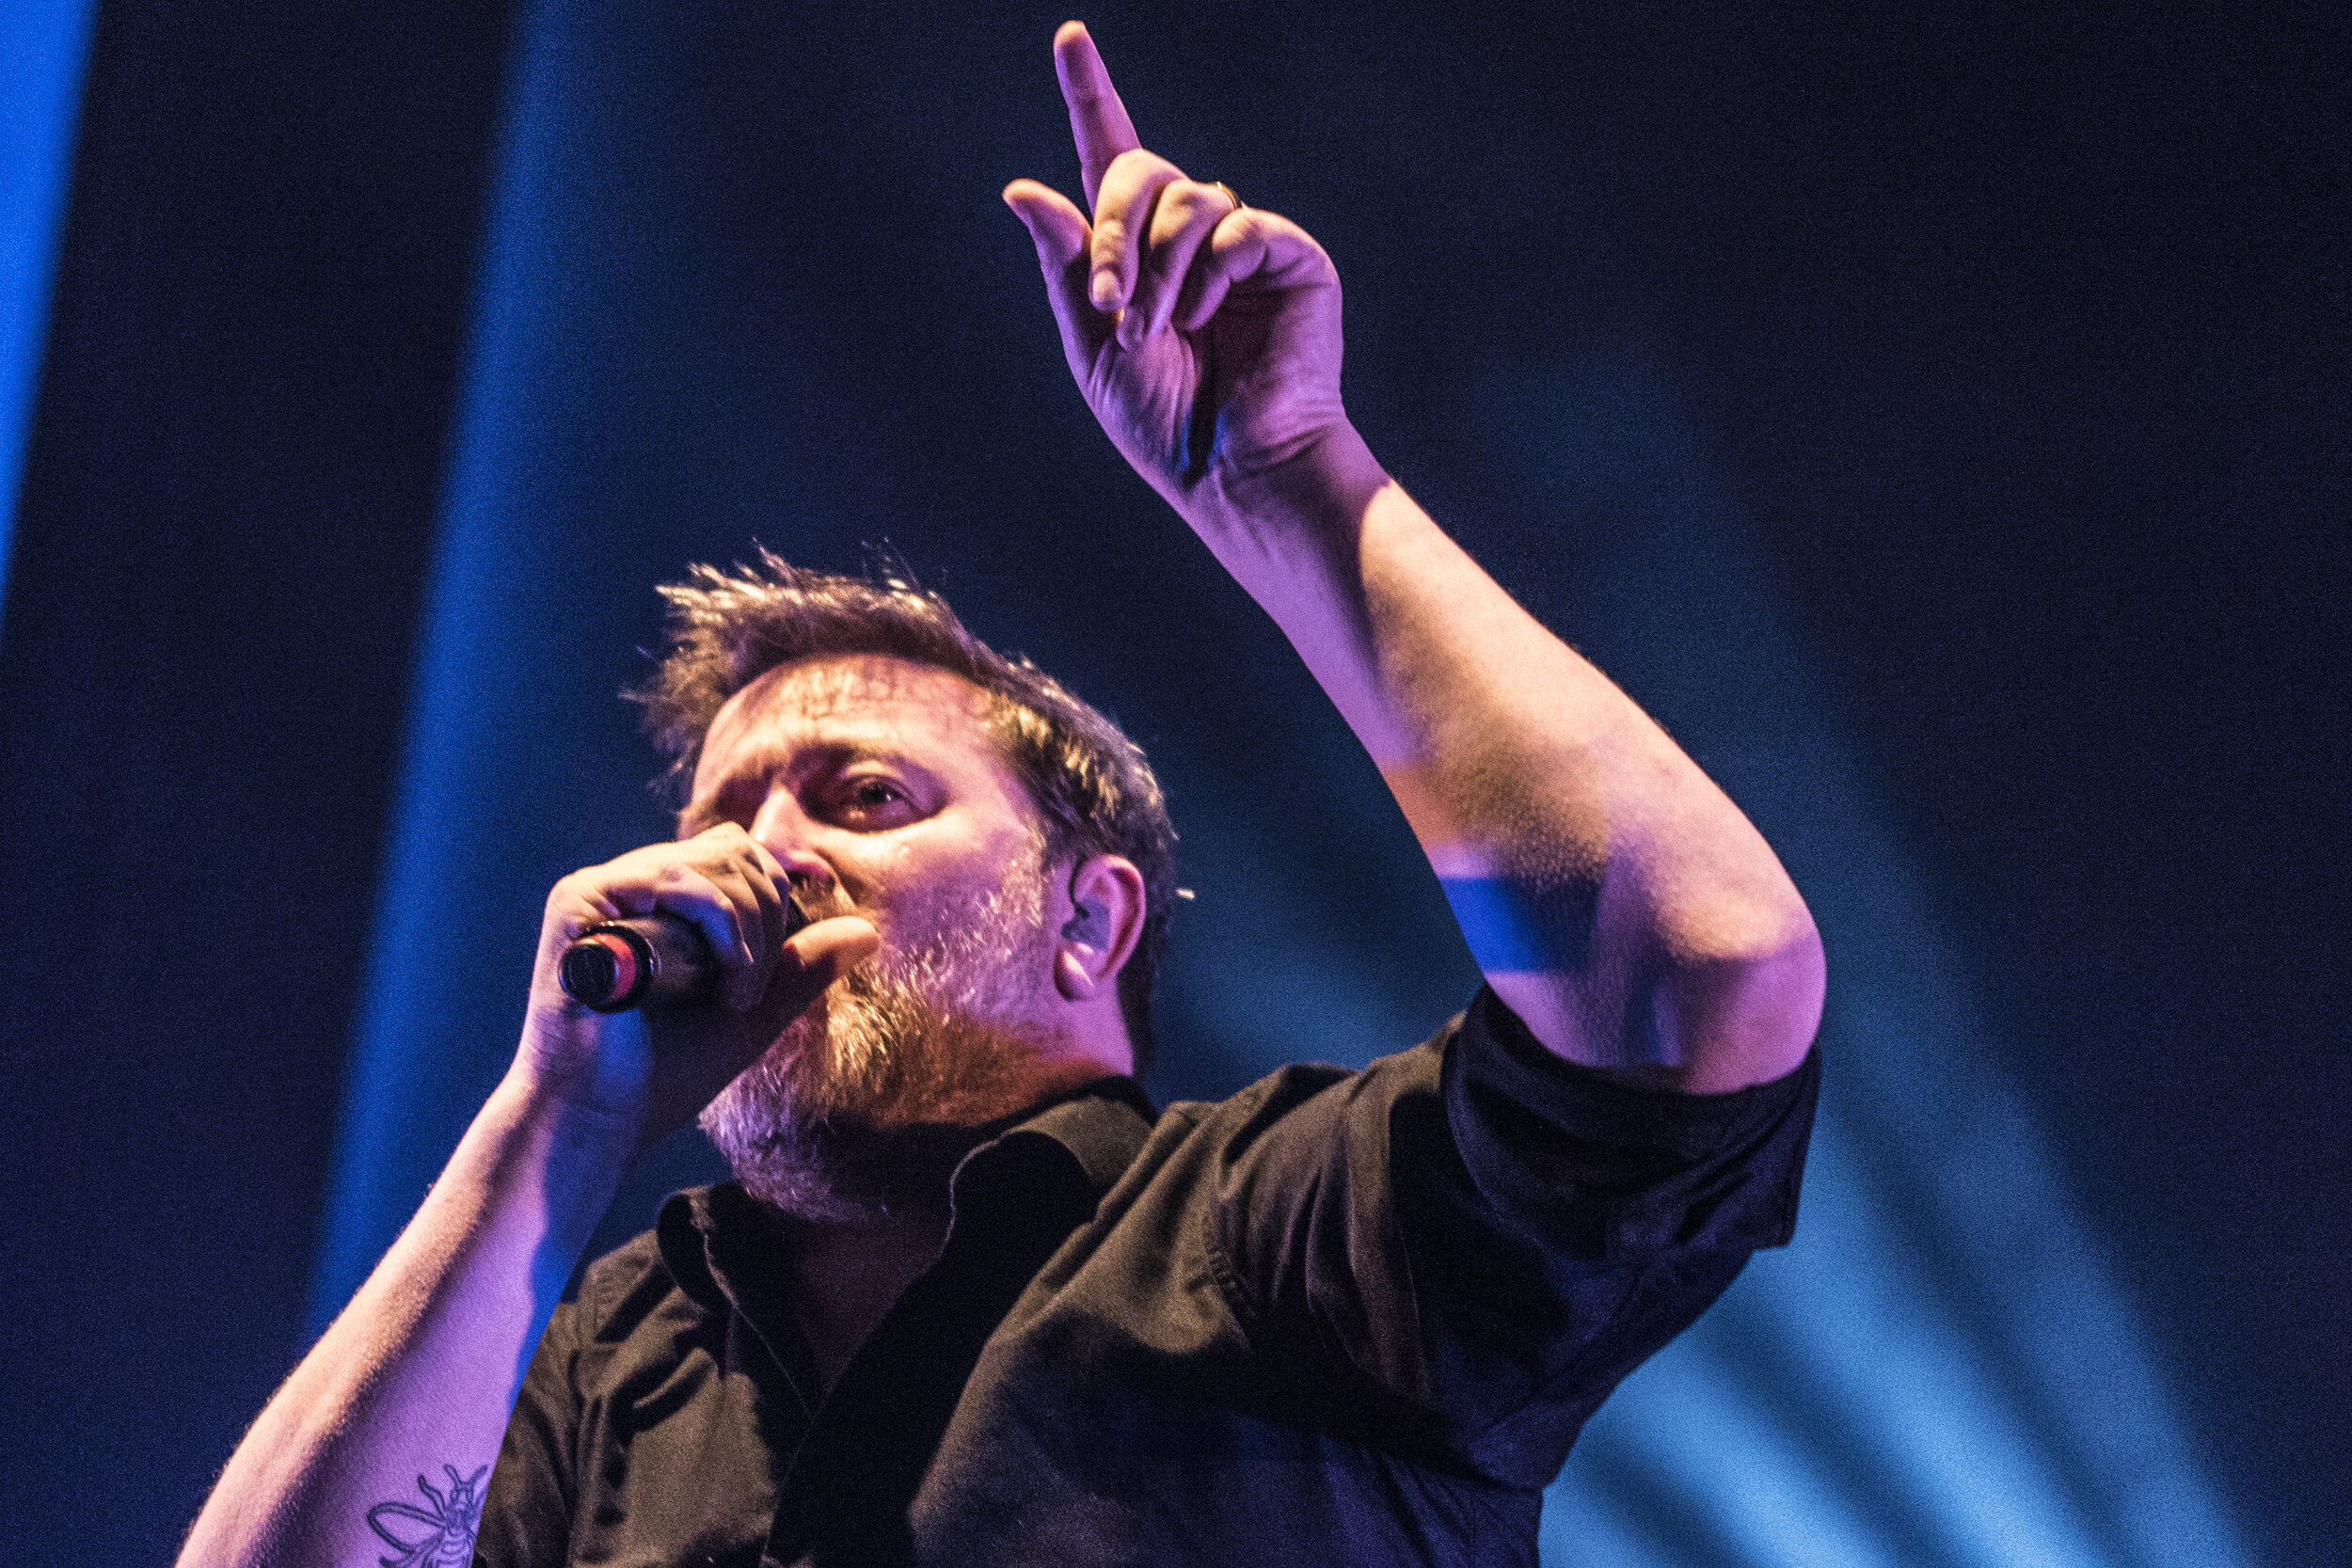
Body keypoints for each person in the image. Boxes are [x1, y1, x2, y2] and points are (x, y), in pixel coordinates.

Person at [179, 22, 1824, 1567]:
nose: (764, 859)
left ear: (1089, 914)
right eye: (721, 821)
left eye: (865, 797)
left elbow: (1702, 975)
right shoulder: (610, 1351)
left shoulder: (1284, 1238)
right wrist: (553, 1125)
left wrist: (1288, 481)